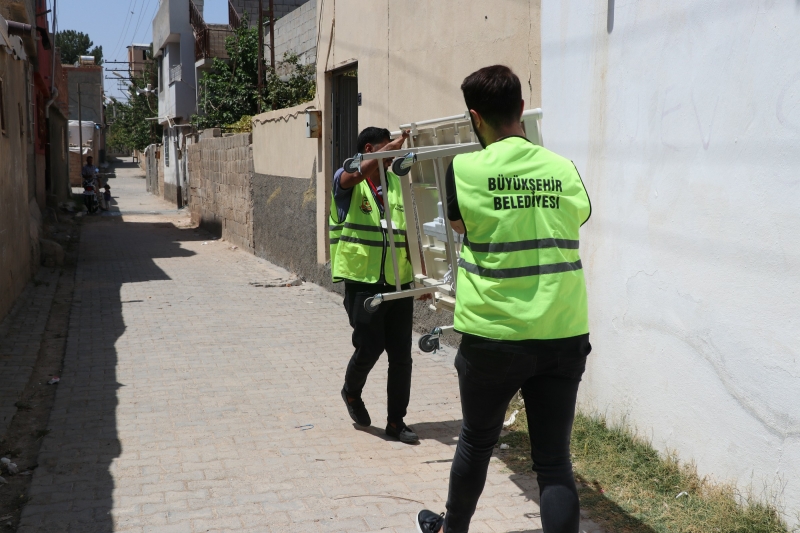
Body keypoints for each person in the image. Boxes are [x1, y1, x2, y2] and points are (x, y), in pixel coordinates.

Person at [416, 65, 592, 533]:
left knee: (476, 441)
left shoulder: (465, 170)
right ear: (520, 108)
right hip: (562, 331)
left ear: (476, 117)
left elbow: (458, 227)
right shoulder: (563, 168)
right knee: (554, 461)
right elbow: (580, 215)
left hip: (493, 335)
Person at [330, 126, 420, 444]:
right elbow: (349, 177)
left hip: (398, 281)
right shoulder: (347, 178)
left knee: (401, 355)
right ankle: (351, 392)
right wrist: (388, 151)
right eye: (386, 149)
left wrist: (419, 279)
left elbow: (408, 233)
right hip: (363, 281)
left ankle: (396, 422)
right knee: (370, 347)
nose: (393, 155)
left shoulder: (395, 184)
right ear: (370, 150)